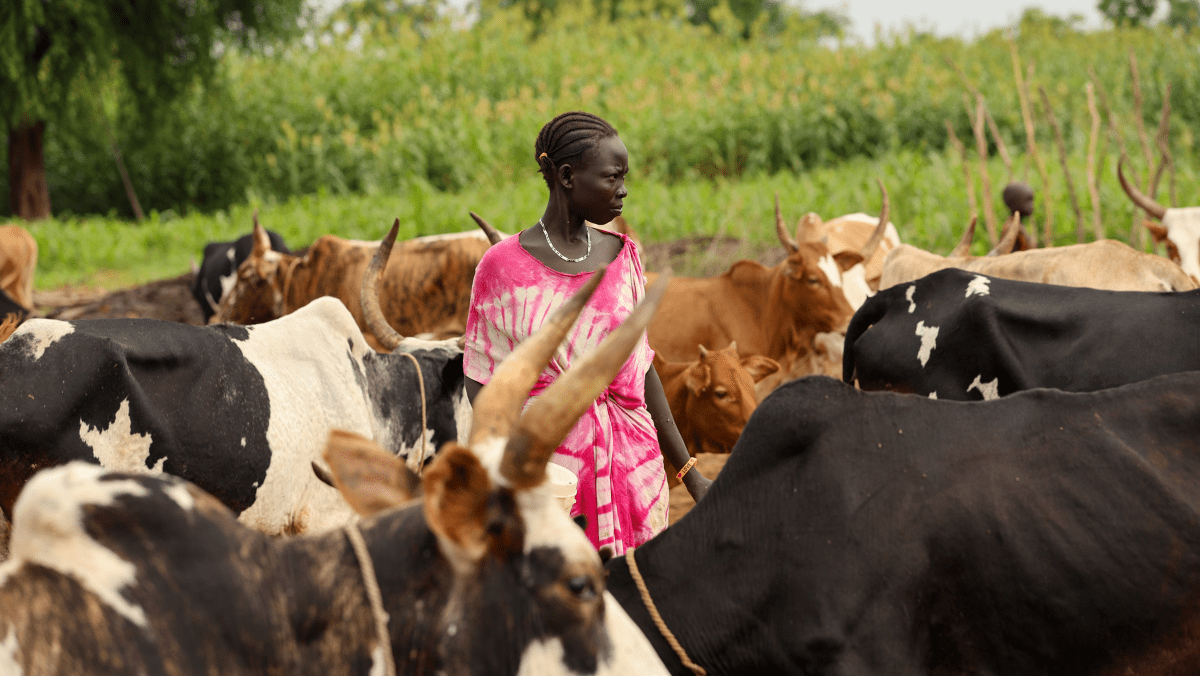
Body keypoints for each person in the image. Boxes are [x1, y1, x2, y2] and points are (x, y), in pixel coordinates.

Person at [462, 111, 711, 555]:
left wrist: (690, 472)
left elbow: (642, 370)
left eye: (624, 177)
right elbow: (481, 384)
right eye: (612, 177)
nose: (623, 189)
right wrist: (515, 472)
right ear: (566, 176)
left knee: (637, 599)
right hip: (552, 479)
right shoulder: (501, 268)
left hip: (635, 472)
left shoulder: (624, 256)